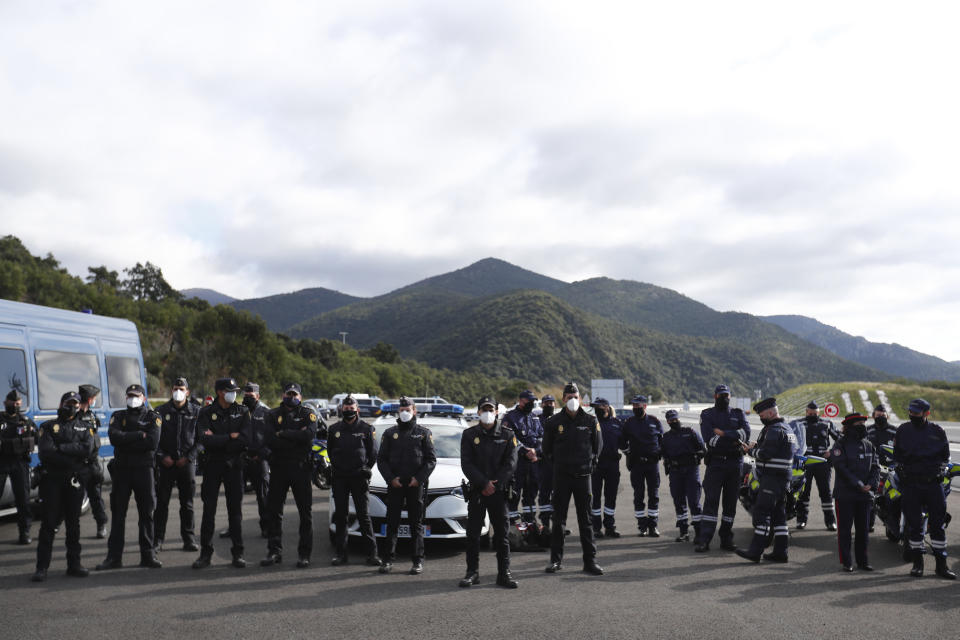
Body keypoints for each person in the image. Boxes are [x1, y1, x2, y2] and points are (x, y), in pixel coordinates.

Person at [96, 384, 162, 570]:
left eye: (136, 395)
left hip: (144, 471)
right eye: (130, 395)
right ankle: (114, 558)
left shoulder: (152, 417)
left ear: (144, 398)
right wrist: (138, 435)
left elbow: (152, 442)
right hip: (122, 471)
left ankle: (148, 555)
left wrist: (128, 439)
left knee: (147, 514)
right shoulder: (118, 416)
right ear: (126, 398)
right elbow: (114, 437)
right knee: (118, 515)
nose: (133, 398)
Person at [32, 392, 95, 581]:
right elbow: (46, 452)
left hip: (74, 482)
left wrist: (62, 448)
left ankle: (74, 565)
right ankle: (41, 567)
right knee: (49, 524)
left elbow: (87, 449)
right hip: (52, 481)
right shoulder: (48, 427)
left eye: (75, 403)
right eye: (69, 403)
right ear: (61, 404)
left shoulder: (85, 427)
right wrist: (72, 454)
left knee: (73, 525)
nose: (72, 406)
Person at [542, 382, 603, 575]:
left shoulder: (590, 420)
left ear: (580, 399)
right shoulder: (553, 422)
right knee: (558, 520)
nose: (573, 401)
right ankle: (555, 561)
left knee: (586, 521)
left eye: (576, 397)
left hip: (583, 477)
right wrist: (559, 465)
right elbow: (546, 449)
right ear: (563, 399)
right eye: (569, 398)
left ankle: (590, 562)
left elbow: (598, 446)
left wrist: (591, 462)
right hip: (562, 478)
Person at [459, 396, 519, 588]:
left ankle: (504, 573)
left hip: (499, 492)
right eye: (483, 409)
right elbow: (466, 464)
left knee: (501, 535)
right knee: (473, 535)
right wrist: (484, 483)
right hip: (478, 491)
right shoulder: (469, 435)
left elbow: (511, 463)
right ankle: (472, 573)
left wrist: (496, 483)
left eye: (490, 409)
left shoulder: (508, 435)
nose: (487, 413)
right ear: (478, 412)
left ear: (496, 412)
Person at [193, 377, 251, 569]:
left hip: (234, 465)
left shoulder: (242, 412)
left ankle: (238, 553)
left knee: (235, 512)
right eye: (229, 390)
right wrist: (229, 437)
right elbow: (204, 439)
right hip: (212, 466)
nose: (233, 393)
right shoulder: (206, 413)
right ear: (219, 392)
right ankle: (205, 554)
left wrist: (218, 438)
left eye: (235, 390)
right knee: (208, 511)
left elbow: (245, 439)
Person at [894, 398, 955, 579]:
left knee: (938, 525)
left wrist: (942, 470)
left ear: (926, 413)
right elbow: (896, 456)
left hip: (933, 485)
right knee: (914, 526)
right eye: (911, 412)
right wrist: (901, 471)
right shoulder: (903, 430)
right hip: (911, 485)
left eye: (916, 413)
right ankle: (917, 564)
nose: (912, 415)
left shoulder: (938, 431)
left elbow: (945, 457)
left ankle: (941, 566)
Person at [377, 396, 436, 575]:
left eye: (408, 409)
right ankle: (387, 560)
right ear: (398, 411)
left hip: (415, 485)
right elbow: (382, 460)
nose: (404, 412)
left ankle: (417, 561)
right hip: (395, 484)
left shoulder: (424, 433)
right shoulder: (389, 433)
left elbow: (430, 460)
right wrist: (390, 478)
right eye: (402, 409)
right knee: (392, 522)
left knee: (416, 524)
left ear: (414, 411)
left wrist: (419, 478)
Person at [260, 383, 318, 568]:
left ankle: (304, 554)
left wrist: (284, 434)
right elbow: (270, 439)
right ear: (283, 394)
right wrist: (295, 436)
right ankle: (274, 551)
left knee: (305, 514)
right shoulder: (272, 414)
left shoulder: (308, 414)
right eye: (288, 393)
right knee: (274, 512)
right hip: (279, 468)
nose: (291, 396)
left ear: (300, 397)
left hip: (301, 468)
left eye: (295, 394)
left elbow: (308, 435)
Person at [736, 397, 798, 564]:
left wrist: (751, 450)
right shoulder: (786, 428)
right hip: (782, 479)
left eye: (762, 414)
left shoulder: (774, 429)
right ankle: (780, 552)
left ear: (771, 413)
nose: (761, 417)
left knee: (761, 513)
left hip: (772, 478)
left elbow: (765, 454)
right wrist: (759, 446)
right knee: (779, 517)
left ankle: (755, 551)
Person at [326, 395, 380, 566]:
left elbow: (373, 453)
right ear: (342, 409)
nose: (349, 411)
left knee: (363, 516)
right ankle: (341, 554)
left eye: (352, 408)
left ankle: (372, 554)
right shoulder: (334, 429)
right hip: (340, 478)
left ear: (357, 409)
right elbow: (330, 450)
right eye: (346, 408)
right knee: (341, 516)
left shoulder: (366, 428)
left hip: (359, 478)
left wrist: (366, 468)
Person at [696, 384, 750, 552]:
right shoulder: (707, 414)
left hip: (735, 464)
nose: (724, 398)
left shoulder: (738, 413)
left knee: (730, 503)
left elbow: (746, 434)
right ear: (715, 397)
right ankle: (704, 539)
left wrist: (724, 434)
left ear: (730, 396)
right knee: (711, 502)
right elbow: (709, 438)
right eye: (721, 395)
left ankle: (726, 538)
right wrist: (734, 436)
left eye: (726, 395)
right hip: (716, 464)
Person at [154, 376, 200, 552]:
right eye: (175, 388)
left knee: (187, 504)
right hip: (166, 464)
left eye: (181, 389)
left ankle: (189, 539)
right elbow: (154, 439)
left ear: (187, 392)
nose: (178, 392)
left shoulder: (196, 412)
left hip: (186, 464)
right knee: (162, 504)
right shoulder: (160, 411)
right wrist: (161, 456)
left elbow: (201, 439)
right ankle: (157, 540)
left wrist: (189, 458)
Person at [830, 414, 880, 572]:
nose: (863, 426)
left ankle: (863, 561)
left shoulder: (869, 445)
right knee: (845, 531)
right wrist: (858, 484)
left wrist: (871, 484)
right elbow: (840, 467)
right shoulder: (840, 444)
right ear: (850, 426)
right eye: (859, 423)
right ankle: (847, 562)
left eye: (864, 423)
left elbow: (876, 468)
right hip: (845, 494)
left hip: (864, 495)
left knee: (863, 530)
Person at [619, 394, 663, 536]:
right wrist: (628, 453)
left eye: (638, 405)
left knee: (654, 495)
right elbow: (621, 441)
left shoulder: (655, 421)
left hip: (652, 464)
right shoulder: (629, 423)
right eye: (634, 406)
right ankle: (642, 526)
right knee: (638, 495)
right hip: (637, 464)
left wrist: (660, 452)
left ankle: (653, 526)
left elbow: (662, 440)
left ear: (645, 406)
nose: (636, 408)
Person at [661, 409, 705, 542]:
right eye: (671, 420)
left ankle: (699, 532)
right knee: (679, 502)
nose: (674, 421)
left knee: (694, 502)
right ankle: (683, 532)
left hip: (691, 470)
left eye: (675, 419)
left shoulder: (690, 432)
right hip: (675, 472)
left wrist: (697, 456)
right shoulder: (666, 437)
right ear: (667, 422)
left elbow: (702, 449)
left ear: (679, 418)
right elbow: (664, 455)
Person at [0, 390, 38, 544]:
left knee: (23, 499)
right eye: (12, 403)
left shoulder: (25, 422)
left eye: (18, 404)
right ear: (5, 403)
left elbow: (37, 438)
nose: (15, 406)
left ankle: (25, 531)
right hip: (1, 462)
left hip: (20, 463)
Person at [796, 401, 839, 531]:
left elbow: (840, 439)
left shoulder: (827, 423)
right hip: (806, 461)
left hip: (822, 462)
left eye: (815, 414)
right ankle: (801, 520)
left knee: (826, 492)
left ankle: (830, 521)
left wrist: (831, 452)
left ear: (819, 413)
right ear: (806, 412)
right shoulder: (799, 424)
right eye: (810, 413)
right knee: (803, 492)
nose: (812, 415)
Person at [501, 390, 542, 527]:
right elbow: (508, 437)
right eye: (528, 401)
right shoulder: (510, 417)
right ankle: (512, 526)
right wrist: (525, 451)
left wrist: (535, 451)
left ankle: (529, 523)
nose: (531, 404)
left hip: (533, 463)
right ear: (521, 401)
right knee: (514, 494)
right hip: (517, 464)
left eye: (532, 401)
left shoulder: (535, 417)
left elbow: (541, 438)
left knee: (531, 495)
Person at [77, 384, 108, 539]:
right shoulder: (73, 416)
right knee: (69, 498)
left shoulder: (92, 417)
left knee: (95, 497)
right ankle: (56, 524)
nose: (95, 401)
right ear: (89, 399)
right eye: (94, 398)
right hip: (77, 465)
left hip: (92, 464)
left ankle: (101, 525)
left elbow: (94, 442)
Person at [590, 398, 623, 538]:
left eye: (599, 406)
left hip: (612, 465)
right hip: (596, 465)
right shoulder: (590, 423)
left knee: (611, 497)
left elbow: (624, 443)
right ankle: (596, 528)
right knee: (595, 497)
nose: (597, 409)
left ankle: (610, 526)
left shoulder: (617, 424)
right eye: (595, 407)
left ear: (606, 407)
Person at [866, 404, 897, 531]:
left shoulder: (895, 431)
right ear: (873, 416)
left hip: (890, 470)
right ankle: (869, 524)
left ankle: (890, 525)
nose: (880, 417)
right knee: (871, 497)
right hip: (872, 469)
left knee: (890, 497)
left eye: (883, 416)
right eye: (878, 415)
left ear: (887, 416)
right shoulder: (867, 430)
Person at [537, 394, 558, 540]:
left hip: (558, 463)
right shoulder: (537, 421)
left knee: (559, 496)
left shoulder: (559, 420)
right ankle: (545, 525)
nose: (549, 405)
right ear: (542, 405)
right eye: (546, 403)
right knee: (544, 495)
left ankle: (558, 524)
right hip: (543, 463)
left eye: (551, 402)